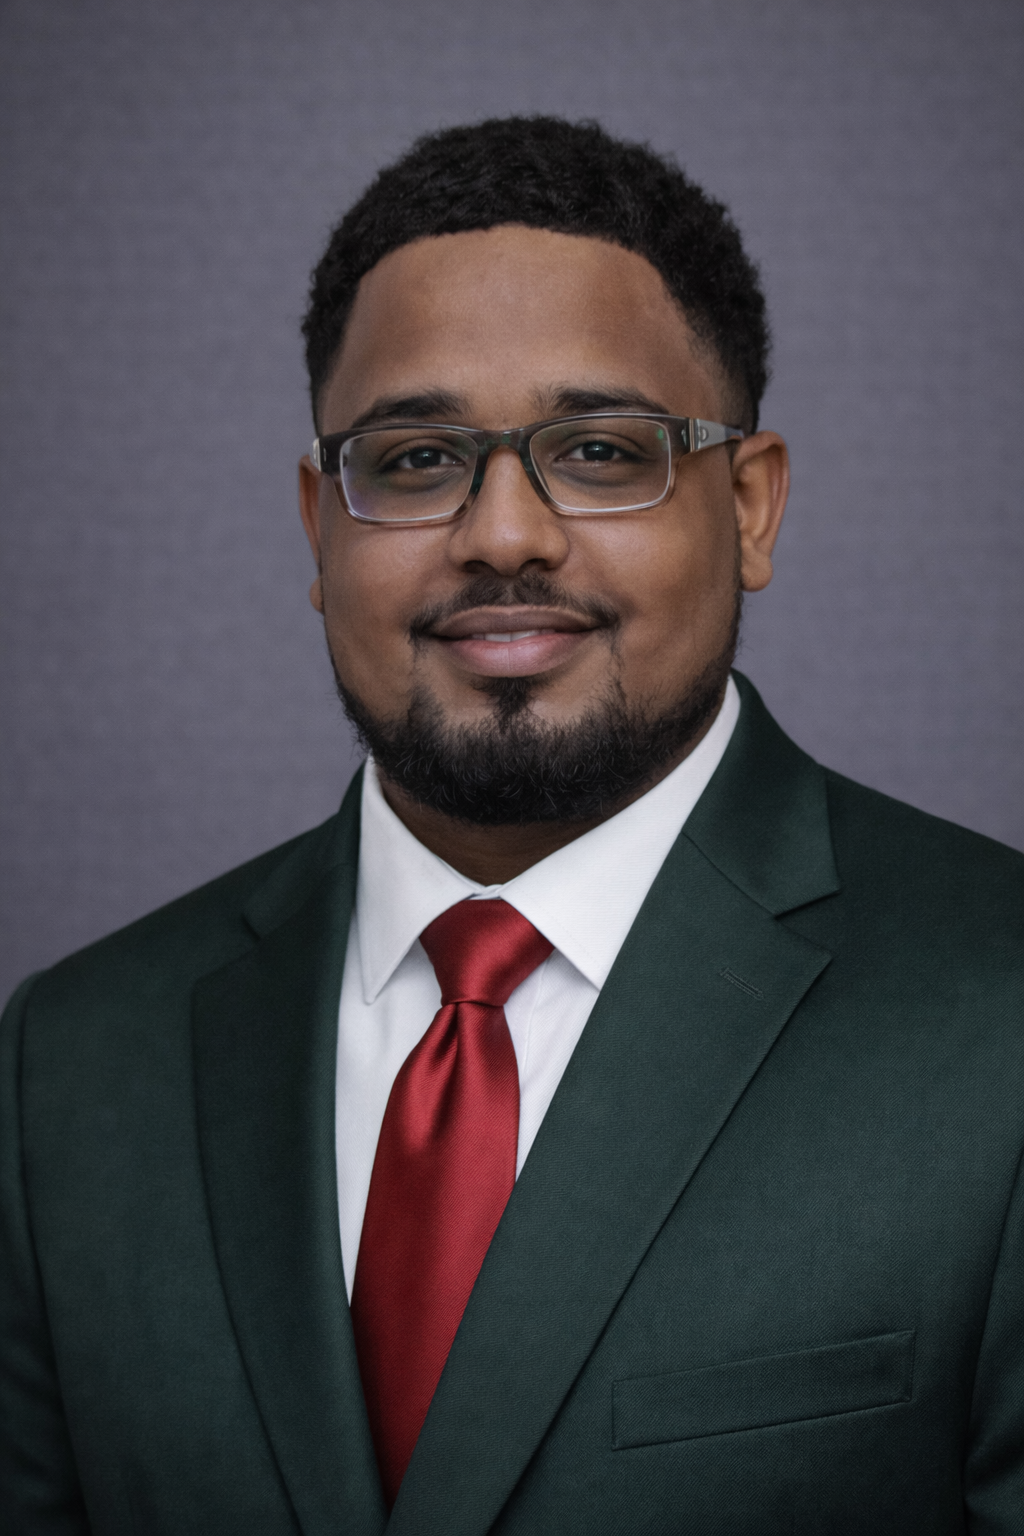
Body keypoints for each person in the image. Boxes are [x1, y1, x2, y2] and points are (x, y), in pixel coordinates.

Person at [1, 116, 1021, 1536]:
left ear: (752, 507)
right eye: (416, 460)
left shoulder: (1001, 1014)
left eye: (600, 451)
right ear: (320, 527)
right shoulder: (70, 1063)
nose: (501, 535)